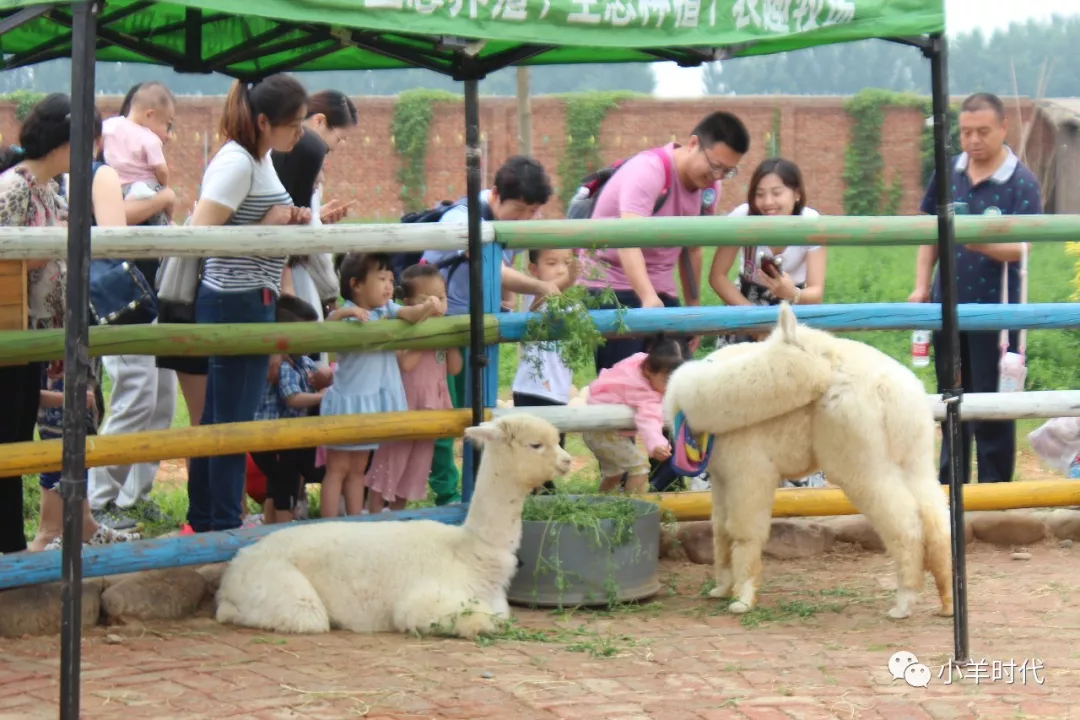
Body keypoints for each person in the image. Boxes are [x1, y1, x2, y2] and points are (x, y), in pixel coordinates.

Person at [182, 73, 314, 535]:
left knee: (221, 418)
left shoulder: (259, 157)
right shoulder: (237, 162)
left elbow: (254, 220)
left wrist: (283, 221)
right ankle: (220, 526)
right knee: (233, 424)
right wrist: (269, 221)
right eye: (294, 124)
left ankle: (209, 521)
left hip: (249, 298)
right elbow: (202, 235)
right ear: (263, 121)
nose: (300, 133)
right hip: (233, 300)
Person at [909, 92, 1041, 486]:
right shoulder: (949, 172)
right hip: (947, 305)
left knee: (993, 404)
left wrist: (976, 241)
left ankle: (996, 495)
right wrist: (920, 287)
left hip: (999, 313)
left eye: (983, 131)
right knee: (951, 396)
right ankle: (952, 490)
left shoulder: (1022, 181)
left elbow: (1024, 244)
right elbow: (928, 233)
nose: (973, 140)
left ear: (1004, 127)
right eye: (966, 132)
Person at [421, 156, 567, 506]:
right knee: (444, 412)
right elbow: (492, 268)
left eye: (532, 212)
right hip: (442, 327)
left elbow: (504, 263)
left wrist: (504, 306)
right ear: (497, 194)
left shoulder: (509, 216)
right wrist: (539, 287)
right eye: (520, 210)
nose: (526, 220)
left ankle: (482, 486)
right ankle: (447, 493)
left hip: (477, 328)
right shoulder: (462, 218)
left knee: (481, 410)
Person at [580, 111, 750, 373]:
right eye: (715, 166)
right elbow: (627, 239)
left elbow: (692, 249)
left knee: (679, 378)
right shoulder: (649, 170)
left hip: (659, 290)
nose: (717, 176)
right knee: (626, 380)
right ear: (693, 144)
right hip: (610, 284)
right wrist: (647, 298)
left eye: (727, 172)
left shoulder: (709, 189)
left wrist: (693, 313)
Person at [90, 82, 182, 532]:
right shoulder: (102, 171)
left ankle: (134, 497)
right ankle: (98, 502)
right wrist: (165, 199)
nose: (166, 136)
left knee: (161, 399)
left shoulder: (130, 164)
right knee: (135, 394)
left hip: (156, 290)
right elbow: (118, 219)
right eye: (166, 125)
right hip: (123, 298)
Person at [708, 157, 828, 489]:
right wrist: (753, 320)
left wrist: (793, 294)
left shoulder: (810, 222)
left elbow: (816, 290)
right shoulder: (742, 217)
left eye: (777, 193)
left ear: (797, 194)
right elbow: (717, 277)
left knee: (793, 393)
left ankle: (796, 478)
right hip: (744, 305)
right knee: (735, 391)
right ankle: (732, 474)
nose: (768, 202)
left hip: (792, 308)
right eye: (760, 194)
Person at [319, 253, 442, 517]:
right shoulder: (348, 314)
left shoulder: (387, 310)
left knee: (357, 470)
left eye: (391, 279)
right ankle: (326, 526)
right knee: (337, 469)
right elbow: (324, 333)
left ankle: (355, 523)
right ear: (357, 284)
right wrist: (345, 311)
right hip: (349, 403)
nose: (389, 285)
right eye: (381, 278)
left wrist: (427, 307)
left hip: (374, 404)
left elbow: (410, 314)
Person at [365, 264, 461, 512]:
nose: (437, 305)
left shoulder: (444, 328)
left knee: (414, 469)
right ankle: (373, 517)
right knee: (389, 467)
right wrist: (426, 337)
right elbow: (405, 363)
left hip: (432, 409)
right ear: (408, 303)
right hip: (404, 407)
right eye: (427, 300)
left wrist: (450, 343)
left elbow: (454, 368)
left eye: (441, 298)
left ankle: (397, 517)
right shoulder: (404, 327)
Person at [250, 295, 329, 525]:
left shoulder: (302, 361)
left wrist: (325, 378)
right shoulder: (283, 365)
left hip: (283, 436)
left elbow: (319, 374)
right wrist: (320, 397)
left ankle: (270, 526)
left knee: (276, 483)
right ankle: (283, 529)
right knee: (284, 481)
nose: (312, 338)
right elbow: (292, 398)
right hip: (270, 437)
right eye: (307, 333)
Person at [581, 335, 685, 495]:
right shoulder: (645, 393)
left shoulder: (637, 361)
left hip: (594, 428)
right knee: (640, 468)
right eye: (666, 380)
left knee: (614, 474)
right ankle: (633, 512)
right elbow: (649, 419)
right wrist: (657, 444)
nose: (669, 387)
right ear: (650, 370)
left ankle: (598, 509)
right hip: (605, 433)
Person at [511, 249, 575, 448]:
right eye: (551, 263)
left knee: (553, 452)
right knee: (533, 452)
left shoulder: (571, 301)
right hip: (533, 388)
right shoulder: (534, 294)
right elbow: (538, 306)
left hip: (559, 390)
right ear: (533, 269)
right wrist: (569, 279)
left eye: (567, 263)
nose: (561, 270)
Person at [100, 80, 178, 225]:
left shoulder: (110, 126)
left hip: (120, 190)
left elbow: (96, 138)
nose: (169, 136)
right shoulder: (149, 139)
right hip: (146, 187)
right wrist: (165, 192)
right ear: (149, 114)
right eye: (167, 124)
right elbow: (162, 170)